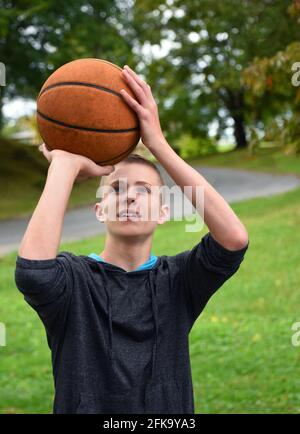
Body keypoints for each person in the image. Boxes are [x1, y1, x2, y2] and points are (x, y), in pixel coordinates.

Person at [14, 64, 249, 414]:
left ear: (164, 212)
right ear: (99, 211)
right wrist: (63, 165)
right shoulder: (75, 282)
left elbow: (233, 239)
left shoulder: (179, 281)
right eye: (117, 189)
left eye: (144, 191)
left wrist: (159, 144)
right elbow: (34, 271)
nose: (129, 198)